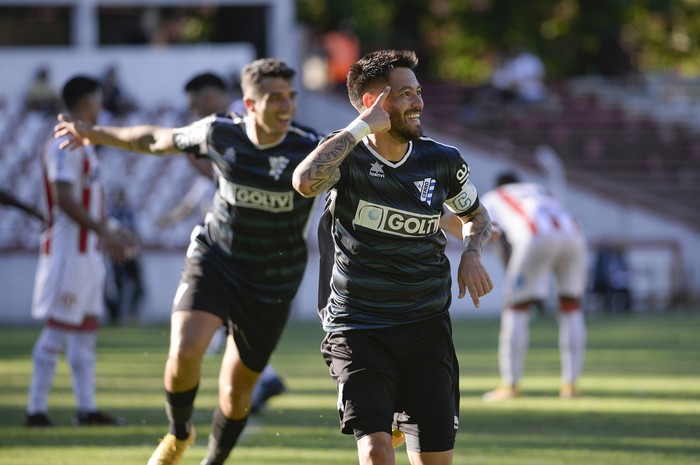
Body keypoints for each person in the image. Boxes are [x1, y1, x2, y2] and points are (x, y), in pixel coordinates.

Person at [54, 58, 323, 465]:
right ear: (250, 103)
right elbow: (155, 139)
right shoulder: (219, 132)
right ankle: (178, 434)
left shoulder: (311, 148)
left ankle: (212, 461)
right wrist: (96, 134)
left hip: (273, 281)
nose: (286, 107)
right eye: (275, 99)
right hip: (216, 258)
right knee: (184, 349)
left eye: (291, 97)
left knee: (236, 392)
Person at [292, 49, 494, 465]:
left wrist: (472, 252)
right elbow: (304, 182)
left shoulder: (442, 160)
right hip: (357, 325)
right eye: (404, 93)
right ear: (374, 101)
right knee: (375, 452)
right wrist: (359, 127)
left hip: (425, 324)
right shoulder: (344, 153)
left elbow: (477, 215)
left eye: (417, 92)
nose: (417, 102)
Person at [25, 75, 134, 428]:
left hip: (89, 255)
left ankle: (86, 409)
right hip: (67, 254)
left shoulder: (84, 144)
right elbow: (64, 198)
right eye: (98, 99)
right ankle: (35, 410)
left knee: (86, 334)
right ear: (87, 101)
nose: (101, 106)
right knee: (56, 331)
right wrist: (104, 230)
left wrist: (114, 230)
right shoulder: (62, 144)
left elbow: (89, 202)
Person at [479, 172, 587, 401]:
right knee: (571, 306)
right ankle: (570, 385)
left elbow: (493, 233)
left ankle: (511, 385)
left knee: (515, 307)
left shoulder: (495, 196)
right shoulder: (541, 189)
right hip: (574, 236)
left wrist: (514, 279)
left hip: (536, 237)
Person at [105, 188, 145, 326]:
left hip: (131, 255)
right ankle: (116, 316)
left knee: (139, 286)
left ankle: (132, 314)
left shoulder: (129, 212)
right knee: (117, 286)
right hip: (116, 254)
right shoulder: (113, 213)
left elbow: (135, 233)